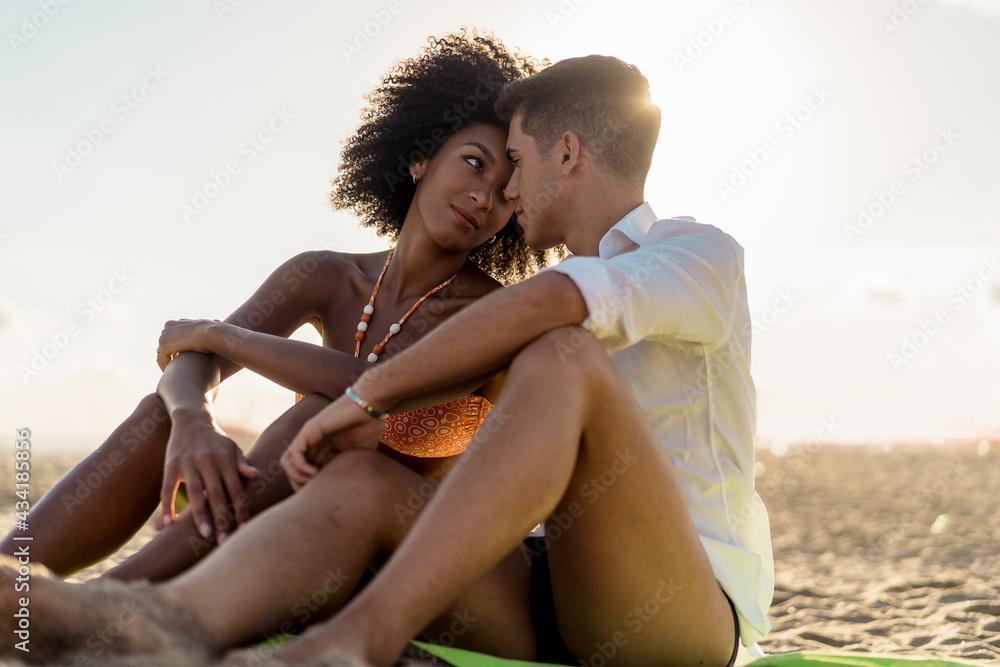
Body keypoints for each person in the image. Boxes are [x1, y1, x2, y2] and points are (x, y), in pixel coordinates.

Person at [0, 52, 773, 667]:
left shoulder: (694, 255)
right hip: (546, 592)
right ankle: (142, 622)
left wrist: (360, 400)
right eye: (485, 162)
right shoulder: (349, 273)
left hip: (683, 611)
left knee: (560, 354)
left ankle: (354, 641)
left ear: (565, 154)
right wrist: (196, 411)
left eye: (516, 163)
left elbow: (547, 311)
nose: (506, 186)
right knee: (364, 481)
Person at [0, 30, 551, 582]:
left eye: (507, 191)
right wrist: (194, 419)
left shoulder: (496, 311)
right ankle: (11, 577)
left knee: (322, 417)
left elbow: (374, 383)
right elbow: (190, 366)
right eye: (475, 163)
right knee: (159, 416)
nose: (484, 195)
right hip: (281, 529)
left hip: (396, 556)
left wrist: (220, 336)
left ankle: (102, 605)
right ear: (419, 158)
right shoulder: (328, 276)